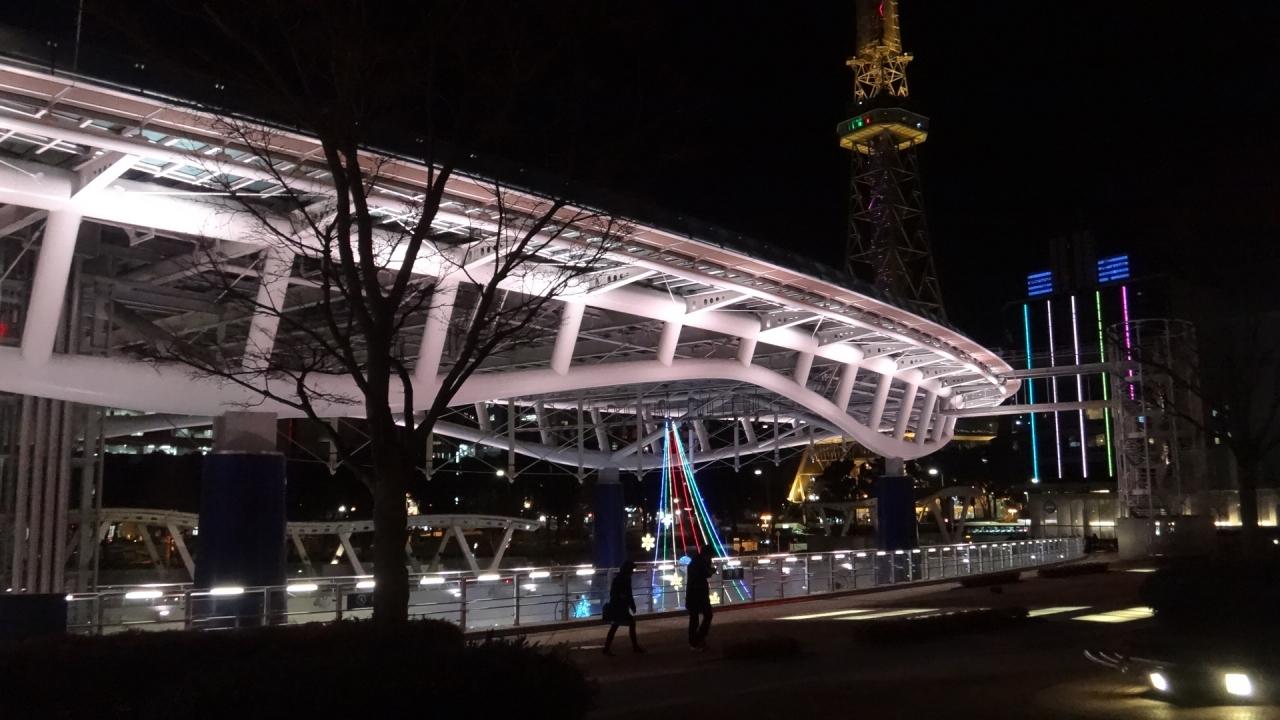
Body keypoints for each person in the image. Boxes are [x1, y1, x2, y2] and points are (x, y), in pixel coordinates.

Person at [602, 560, 644, 656]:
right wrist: (630, 604)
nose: (633, 572)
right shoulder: (623, 579)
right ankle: (634, 647)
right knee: (627, 624)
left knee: (615, 626)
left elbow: (622, 593)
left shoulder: (621, 578)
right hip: (620, 607)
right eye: (632, 570)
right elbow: (625, 593)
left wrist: (630, 604)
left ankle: (607, 648)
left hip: (620, 607)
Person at [685, 546, 716, 649]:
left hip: (696, 594)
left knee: (696, 618)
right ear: (706, 555)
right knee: (703, 616)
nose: (710, 558)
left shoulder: (696, 561)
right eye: (710, 556)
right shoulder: (698, 563)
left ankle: (696, 640)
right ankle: (696, 640)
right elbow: (705, 574)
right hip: (697, 594)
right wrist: (711, 571)